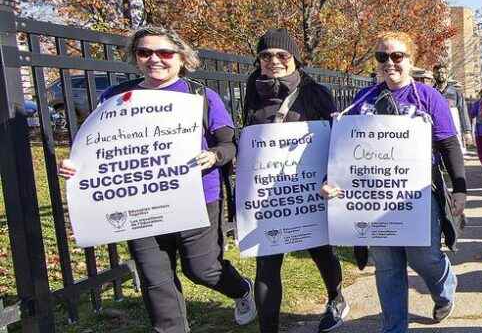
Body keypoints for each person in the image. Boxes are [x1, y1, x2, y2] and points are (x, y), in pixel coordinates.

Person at [57, 26, 256, 333]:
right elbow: (97, 149)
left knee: (203, 270)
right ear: (135, 57)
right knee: (154, 279)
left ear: (181, 58)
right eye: (144, 52)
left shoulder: (201, 96)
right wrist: (75, 166)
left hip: (198, 197)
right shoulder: (116, 99)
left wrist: (215, 156)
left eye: (164, 53)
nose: (154, 60)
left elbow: (229, 143)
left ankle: (242, 289)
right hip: (138, 200)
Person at [320, 31, 467, 333]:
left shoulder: (428, 97)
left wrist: (460, 189)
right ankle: (394, 328)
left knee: (423, 257)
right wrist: (329, 180)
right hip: (375, 197)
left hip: (419, 195)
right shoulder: (362, 101)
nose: (390, 63)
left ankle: (444, 286)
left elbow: (449, 144)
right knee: (387, 267)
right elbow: (344, 148)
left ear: (410, 61)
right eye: (382, 57)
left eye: (397, 56)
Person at [242, 29, 347, 333]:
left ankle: (335, 297)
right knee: (267, 264)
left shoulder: (315, 93)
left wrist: (330, 177)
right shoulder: (252, 90)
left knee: (320, 251)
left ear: (294, 60)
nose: (273, 60)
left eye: (281, 55)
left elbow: (335, 138)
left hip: (310, 191)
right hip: (270, 197)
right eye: (265, 55)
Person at [433, 64, 472, 147]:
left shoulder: (456, 93)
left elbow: (463, 112)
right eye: (438, 72)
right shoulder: (430, 92)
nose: (440, 74)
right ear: (433, 75)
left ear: (447, 74)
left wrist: (467, 132)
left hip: (453, 132)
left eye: (443, 72)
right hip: (435, 133)